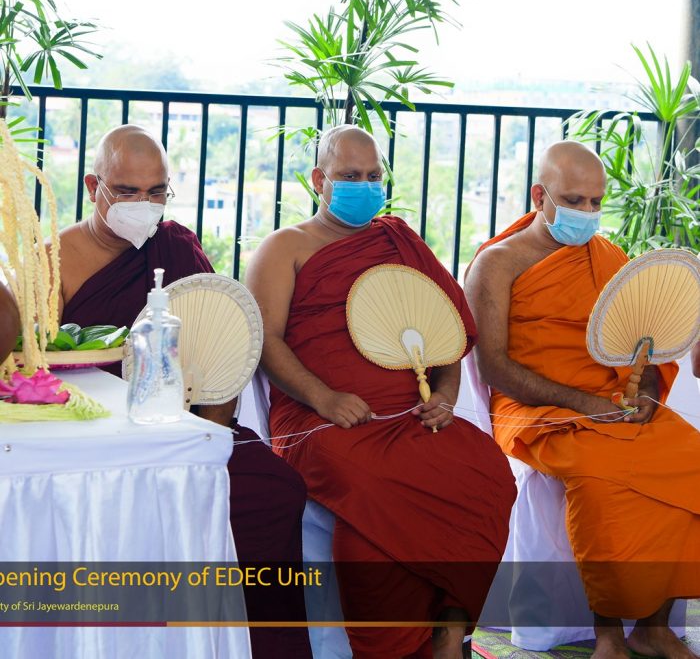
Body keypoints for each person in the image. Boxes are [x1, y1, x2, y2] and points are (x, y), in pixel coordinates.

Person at [245, 124, 516, 659]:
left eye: (374, 176)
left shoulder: (399, 243)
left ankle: (450, 628)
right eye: (350, 176)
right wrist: (323, 397)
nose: (365, 186)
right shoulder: (286, 247)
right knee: (367, 486)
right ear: (320, 179)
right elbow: (265, 340)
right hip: (322, 418)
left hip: (411, 410)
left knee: (486, 468)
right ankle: (389, 645)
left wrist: (444, 395)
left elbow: (445, 333)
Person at [58, 124, 311, 659]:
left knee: (273, 489)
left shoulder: (176, 247)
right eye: (127, 191)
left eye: (157, 192)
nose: (144, 205)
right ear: (93, 187)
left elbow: (220, 345)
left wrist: (209, 438)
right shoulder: (54, 259)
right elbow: (36, 368)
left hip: (186, 423)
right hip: (94, 439)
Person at [464, 140, 700, 659]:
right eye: (574, 201)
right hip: (535, 410)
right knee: (599, 475)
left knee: (693, 459)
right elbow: (494, 366)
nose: (587, 213)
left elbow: (642, 343)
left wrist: (646, 393)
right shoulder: (498, 264)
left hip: (612, 401)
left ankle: (653, 627)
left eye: (596, 202)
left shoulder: (608, 257)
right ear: (539, 196)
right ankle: (609, 634)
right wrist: (583, 405)